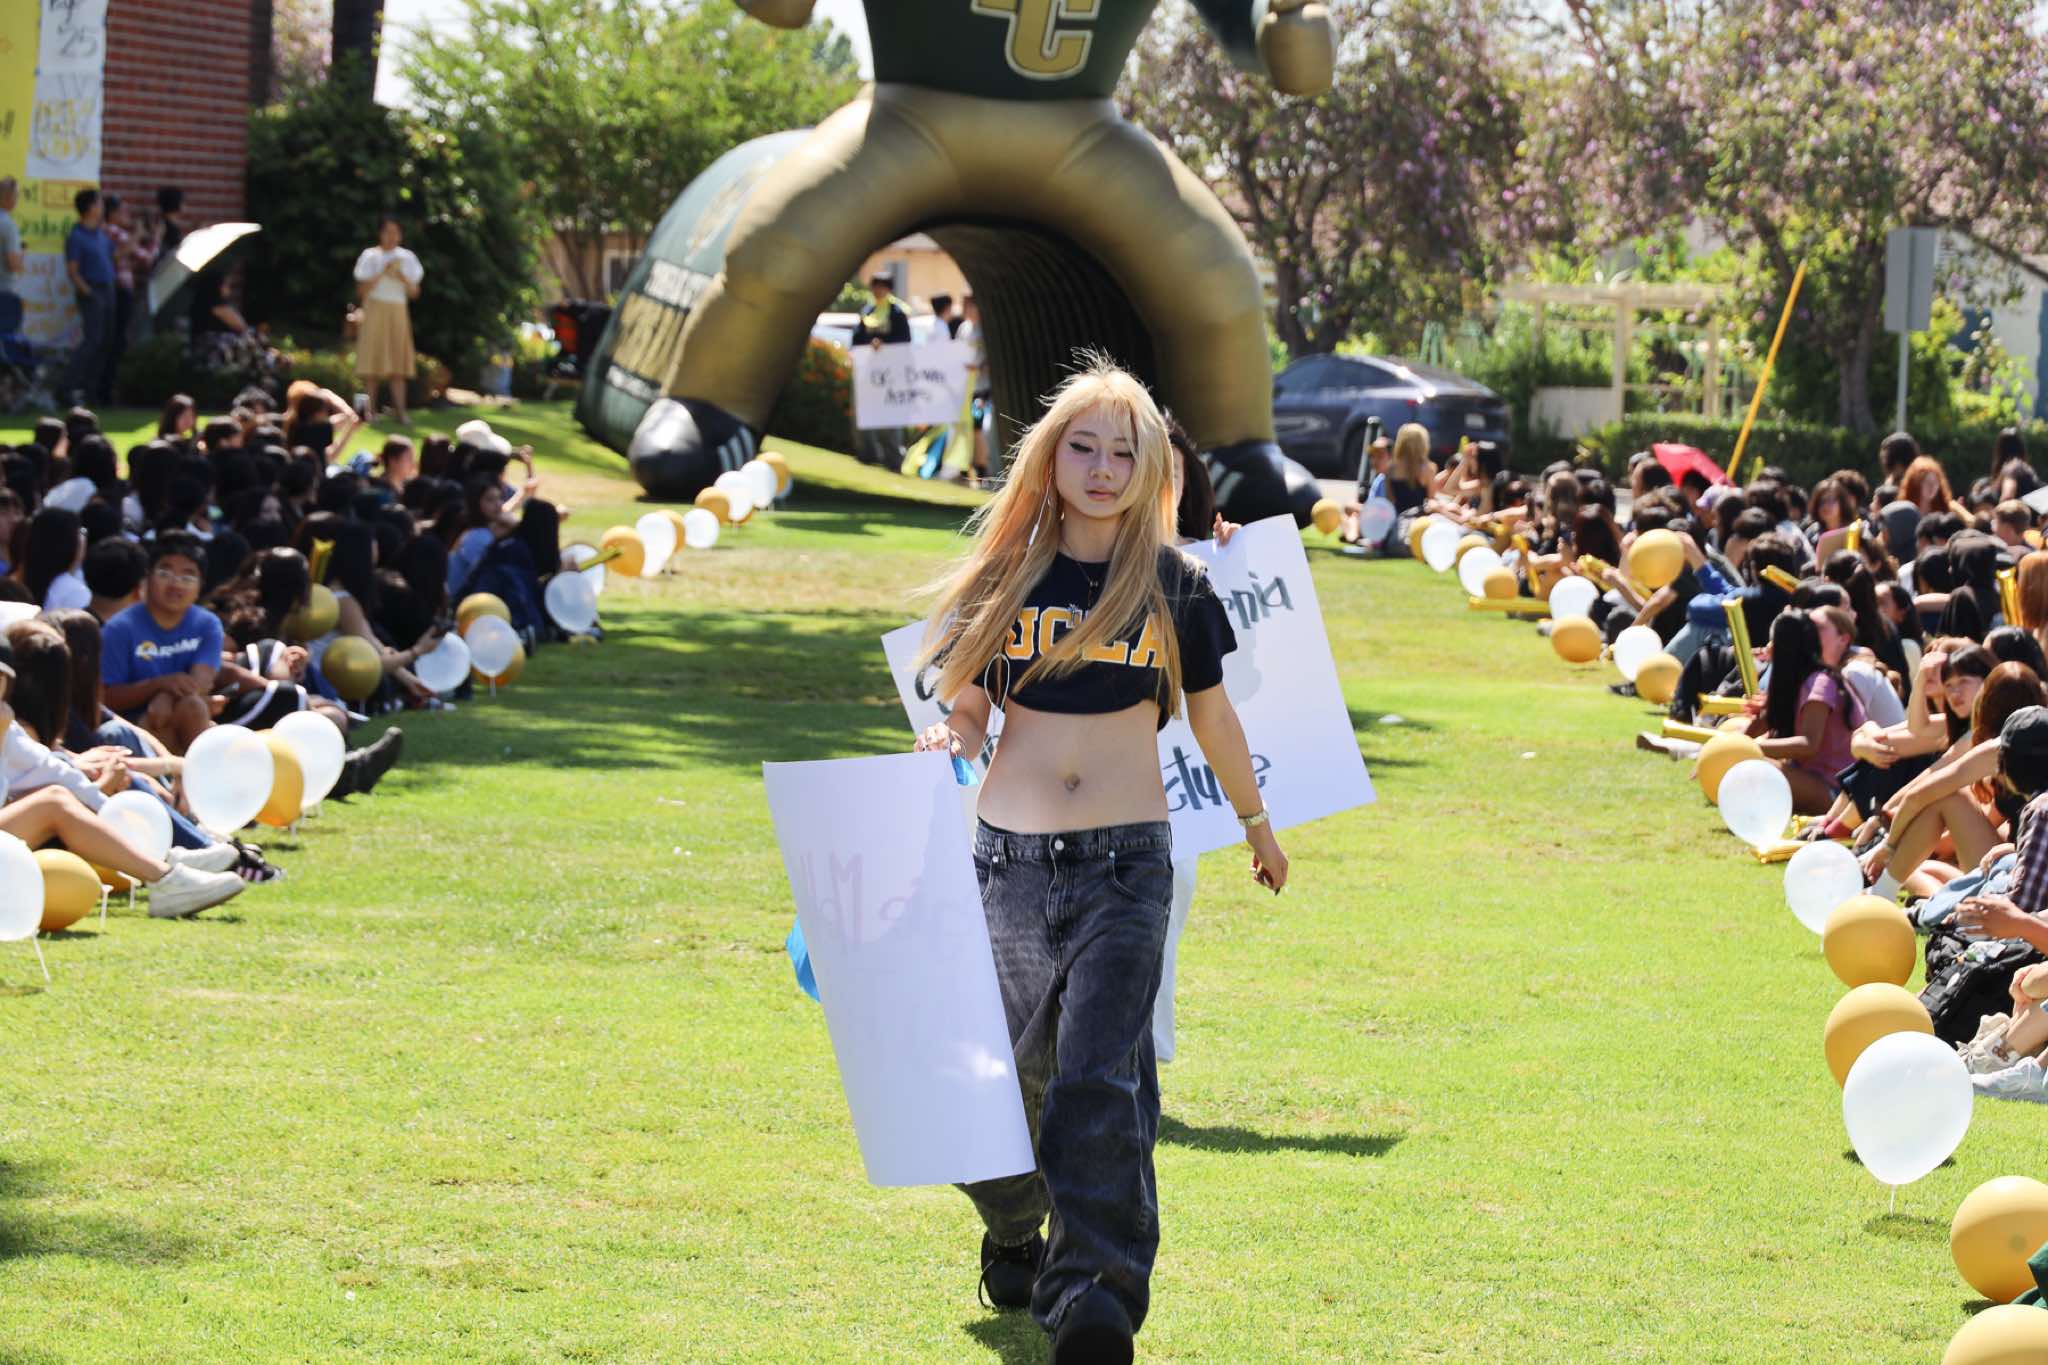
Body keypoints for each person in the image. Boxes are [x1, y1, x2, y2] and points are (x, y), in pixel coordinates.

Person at [910, 359, 1286, 1359]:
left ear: (1151, 466)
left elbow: (1213, 717)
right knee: (1003, 1084)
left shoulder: (1174, 584)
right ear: (1049, 456)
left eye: (1124, 451)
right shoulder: (1010, 574)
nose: (1103, 467)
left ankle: (1094, 1299)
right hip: (1008, 866)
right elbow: (969, 702)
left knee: (1101, 1081)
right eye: (1083, 446)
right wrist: (950, 735)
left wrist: (1255, 822)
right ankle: (1011, 1225)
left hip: (1128, 866)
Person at [0, 628, 246, 917]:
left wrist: (107, 806)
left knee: (61, 792)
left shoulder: (7, 724)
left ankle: (162, 860)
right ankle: (166, 877)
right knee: (53, 802)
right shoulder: (6, 727)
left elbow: (53, 771)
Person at [100, 532, 224, 755]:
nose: (176, 584)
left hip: (181, 714)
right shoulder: (119, 629)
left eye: (188, 577)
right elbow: (106, 698)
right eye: (165, 573)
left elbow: (200, 683)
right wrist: (157, 685)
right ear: (147, 578)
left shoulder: (207, 624)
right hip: (129, 728)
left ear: (200, 586)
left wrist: (166, 693)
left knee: (192, 705)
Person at [353, 216, 423, 425]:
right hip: (374, 309)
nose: (392, 236)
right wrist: (382, 272)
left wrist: (401, 276)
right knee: (372, 364)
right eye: (387, 231)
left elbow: (415, 292)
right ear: (380, 233)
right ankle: (370, 412)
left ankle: (401, 412)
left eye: (396, 232)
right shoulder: (370, 256)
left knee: (398, 364)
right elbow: (361, 290)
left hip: (397, 310)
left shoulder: (407, 258)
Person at [851, 272, 912, 470]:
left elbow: (904, 340)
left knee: (889, 416)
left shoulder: (897, 313)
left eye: (882, 287)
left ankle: (893, 459)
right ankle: (866, 454)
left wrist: (883, 344)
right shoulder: (867, 311)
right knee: (863, 413)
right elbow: (857, 339)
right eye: (875, 286)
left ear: (889, 289)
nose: (878, 291)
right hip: (868, 373)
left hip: (890, 374)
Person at [61, 188, 115, 405]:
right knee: (92, 341)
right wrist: (89, 293)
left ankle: (92, 391)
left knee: (105, 342)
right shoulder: (76, 236)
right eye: (99, 203)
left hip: (108, 289)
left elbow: (113, 257)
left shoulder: (101, 234)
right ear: (90, 207)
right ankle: (66, 388)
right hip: (92, 291)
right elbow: (73, 271)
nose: (102, 207)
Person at [0, 176, 22, 303]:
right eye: (17, 195)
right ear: (10, 198)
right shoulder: (8, 224)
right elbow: (13, 264)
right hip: (4, 291)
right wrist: (21, 257)